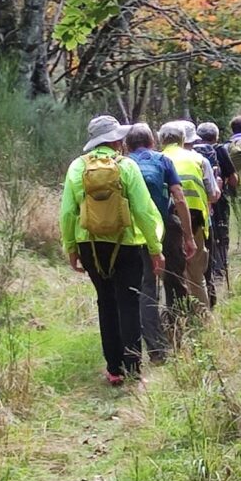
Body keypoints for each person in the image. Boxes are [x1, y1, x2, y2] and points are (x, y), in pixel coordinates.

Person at [60, 115, 165, 385]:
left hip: (89, 245)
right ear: (117, 140)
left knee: (105, 301)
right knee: (128, 303)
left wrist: (71, 247)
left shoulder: (77, 167)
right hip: (126, 243)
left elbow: (68, 212)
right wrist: (155, 248)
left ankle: (114, 370)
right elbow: (143, 211)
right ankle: (133, 368)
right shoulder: (127, 166)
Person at [125, 123, 197, 362]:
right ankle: (179, 333)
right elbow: (179, 198)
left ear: (127, 145)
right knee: (175, 280)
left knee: (146, 287)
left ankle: (156, 349)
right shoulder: (163, 161)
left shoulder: (123, 164)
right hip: (165, 228)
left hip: (134, 233)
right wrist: (188, 236)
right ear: (152, 142)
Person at [159, 121, 212, 314]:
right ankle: (204, 318)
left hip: (166, 221)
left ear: (161, 141)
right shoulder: (199, 159)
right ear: (183, 139)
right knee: (196, 275)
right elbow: (213, 194)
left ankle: (175, 317)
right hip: (196, 219)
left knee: (170, 273)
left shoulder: (157, 159)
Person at [196, 121, 236, 283]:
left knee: (204, 232)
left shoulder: (192, 152)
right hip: (218, 197)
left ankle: (208, 267)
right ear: (216, 136)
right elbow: (233, 179)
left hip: (199, 200)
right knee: (221, 231)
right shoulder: (220, 150)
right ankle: (221, 266)